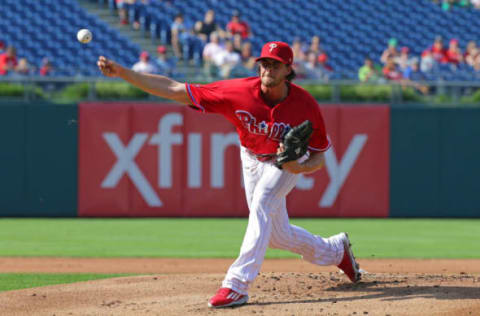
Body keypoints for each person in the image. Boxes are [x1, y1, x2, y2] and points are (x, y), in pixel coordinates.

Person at [97, 41, 361, 309]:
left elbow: (319, 157)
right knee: (276, 235)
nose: (268, 68)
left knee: (262, 202)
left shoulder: (305, 105)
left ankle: (236, 284)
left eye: (275, 64)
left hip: (286, 162)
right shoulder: (237, 92)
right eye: (264, 63)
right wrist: (123, 72)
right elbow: (174, 90)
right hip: (251, 157)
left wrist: (299, 167)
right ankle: (336, 251)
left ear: (288, 69)